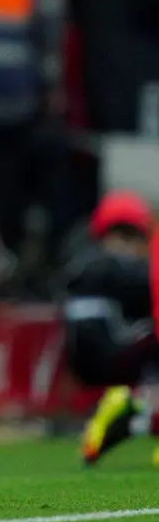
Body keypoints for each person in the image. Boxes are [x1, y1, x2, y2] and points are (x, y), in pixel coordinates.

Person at [68, 193, 159, 465]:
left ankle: (134, 414)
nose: (126, 246)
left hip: (97, 357)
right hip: (111, 353)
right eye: (120, 236)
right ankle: (135, 408)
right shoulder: (107, 267)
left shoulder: (81, 261)